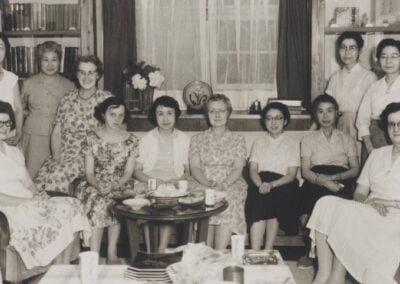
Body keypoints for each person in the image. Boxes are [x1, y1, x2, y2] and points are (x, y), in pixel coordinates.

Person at [307, 102, 400, 284]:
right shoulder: (377, 154)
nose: (396, 129)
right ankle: (323, 273)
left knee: (347, 214)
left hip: (395, 216)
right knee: (325, 202)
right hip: (370, 209)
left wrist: (386, 203)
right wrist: (367, 203)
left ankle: (336, 277)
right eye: (392, 124)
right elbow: (360, 192)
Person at [0, 101, 91, 269]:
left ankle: (61, 271)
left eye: (7, 123)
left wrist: (38, 195)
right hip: (9, 208)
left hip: (28, 200)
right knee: (60, 212)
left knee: (73, 205)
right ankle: (57, 272)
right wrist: (26, 201)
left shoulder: (13, 151)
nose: (4, 128)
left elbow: (27, 181)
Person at [34, 55, 113, 193]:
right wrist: (56, 158)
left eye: (91, 72)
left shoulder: (107, 99)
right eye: (82, 72)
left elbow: (116, 133)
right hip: (64, 154)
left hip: (90, 157)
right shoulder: (67, 99)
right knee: (38, 183)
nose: (86, 77)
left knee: (56, 178)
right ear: (76, 74)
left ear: (98, 75)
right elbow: (57, 133)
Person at [298, 94, 360, 269]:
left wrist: (333, 179)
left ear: (337, 113)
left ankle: (337, 253)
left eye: (330, 111)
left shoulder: (347, 139)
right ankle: (310, 250)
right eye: (320, 112)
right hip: (315, 179)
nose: (325, 116)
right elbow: (305, 171)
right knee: (310, 207)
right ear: (315, 115)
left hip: (341, 178)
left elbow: (355, 169)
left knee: (337, 209)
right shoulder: (308, 139)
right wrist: (324, 182)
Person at [75, 97, 139, 263]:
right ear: (103, 115)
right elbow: (89, 173)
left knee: (114, 199)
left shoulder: (131, 140)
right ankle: (94, 253)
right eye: (112, 114)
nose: (116, 119)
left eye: (120, 115)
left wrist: (115, 184)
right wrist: (99, 184)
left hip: (121, 183)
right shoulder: (91, 138)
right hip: (94, 183)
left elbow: (128, 172)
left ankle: (112, 252)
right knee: (98, 199)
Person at [189, 94, 247, 250]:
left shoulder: (238, 139)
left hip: (230, 181)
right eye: (212, 111)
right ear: (207, 114)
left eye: (221, 111)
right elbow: (195, 167)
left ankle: (219, 251)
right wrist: (207, 183)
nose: (217, 115)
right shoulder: (197, 139)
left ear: (228, 113)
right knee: (201, 197)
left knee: (230, 197)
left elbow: (237, 168)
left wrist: (224, 184)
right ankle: (203, 250)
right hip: (202, 180)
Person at [134, 95, 190, 253]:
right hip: (150, 179)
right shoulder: (147, 139)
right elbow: (137, 170)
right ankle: (150, 249)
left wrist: (178, 181)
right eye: (160, 113)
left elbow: (188, 170)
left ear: (176, 115)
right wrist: (152, 180)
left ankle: (161, 249)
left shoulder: (184, 139)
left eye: (169, 113)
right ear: (155, 116)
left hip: (174, 180)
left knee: (169, 206)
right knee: (145, 206)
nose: (165, 118)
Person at [246, 102, 300, 251]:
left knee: (276, 197)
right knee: (258, 197)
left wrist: (271, 185)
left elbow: (291, 174)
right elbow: (253, 170)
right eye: (269, 118)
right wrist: (260, 185)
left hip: (283, 183)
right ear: (264, 122)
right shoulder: (258, 142)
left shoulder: (293, 144)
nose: (274, 122)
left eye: (278, 118)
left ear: (285, 121)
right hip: (260, 181)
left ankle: (268, 250)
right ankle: (255, 251)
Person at [21, 41, 75, 177]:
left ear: (59, 62)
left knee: (55, 175)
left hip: (60, 138)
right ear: (39, 61)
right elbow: (19, 109)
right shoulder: (28, 83)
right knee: (32, 175)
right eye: (45, 60)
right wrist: (31, 114)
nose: (50, 65)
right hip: (33, 137)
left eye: (54, 60)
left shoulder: (69, 85)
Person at [325, 32, 377, 156]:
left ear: (360, 51)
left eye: (352, 48)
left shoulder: (369, 77)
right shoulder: (335, 78)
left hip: (359, 131)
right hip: (337, 128)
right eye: (343, 48)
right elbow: (326, 106)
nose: (347, 52)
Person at [356, 38, 400, 159]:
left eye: (394, 56)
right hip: (374, 140)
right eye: (384, 56)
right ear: (378, 60)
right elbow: (362, 120)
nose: (388, 61)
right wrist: (369, 148)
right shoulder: (373, 87)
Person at [0, 33, 23, 146]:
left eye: (1, 47)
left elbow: (18, 109)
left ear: (6, 51)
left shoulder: (11, 78)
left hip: (9, 133)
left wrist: (18, 133)